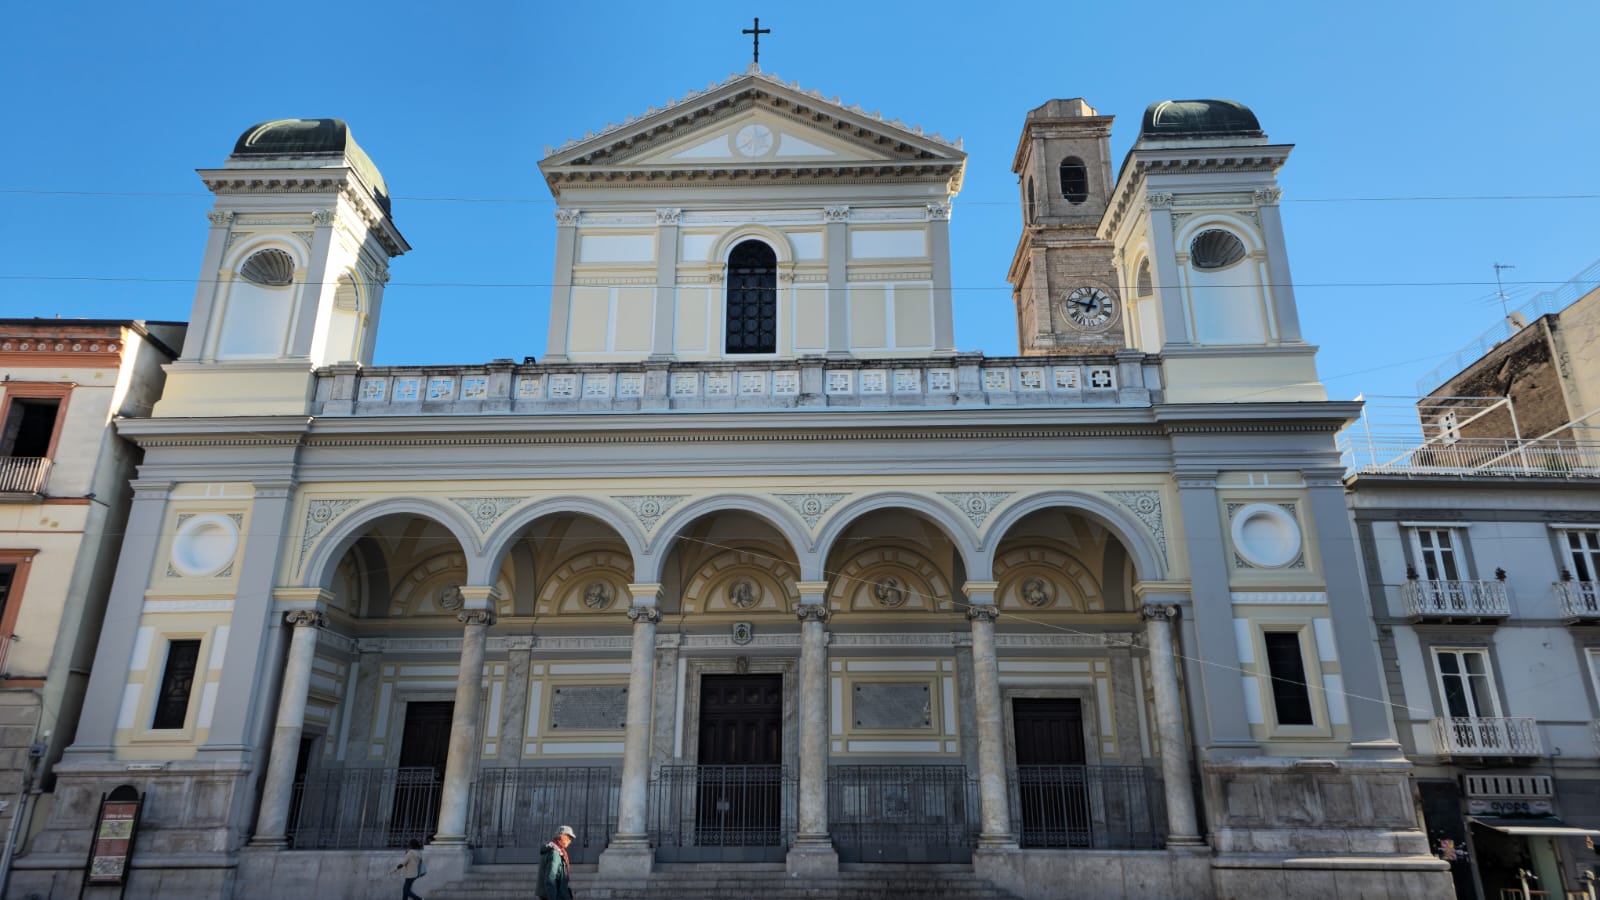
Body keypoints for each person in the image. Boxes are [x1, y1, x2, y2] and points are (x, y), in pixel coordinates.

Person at [538, 825, 576, 900]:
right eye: (568, 837)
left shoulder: (556, 851)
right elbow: (551, 879)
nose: (570, 841)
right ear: (561, 836)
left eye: (571, 839)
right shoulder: (555, 853)